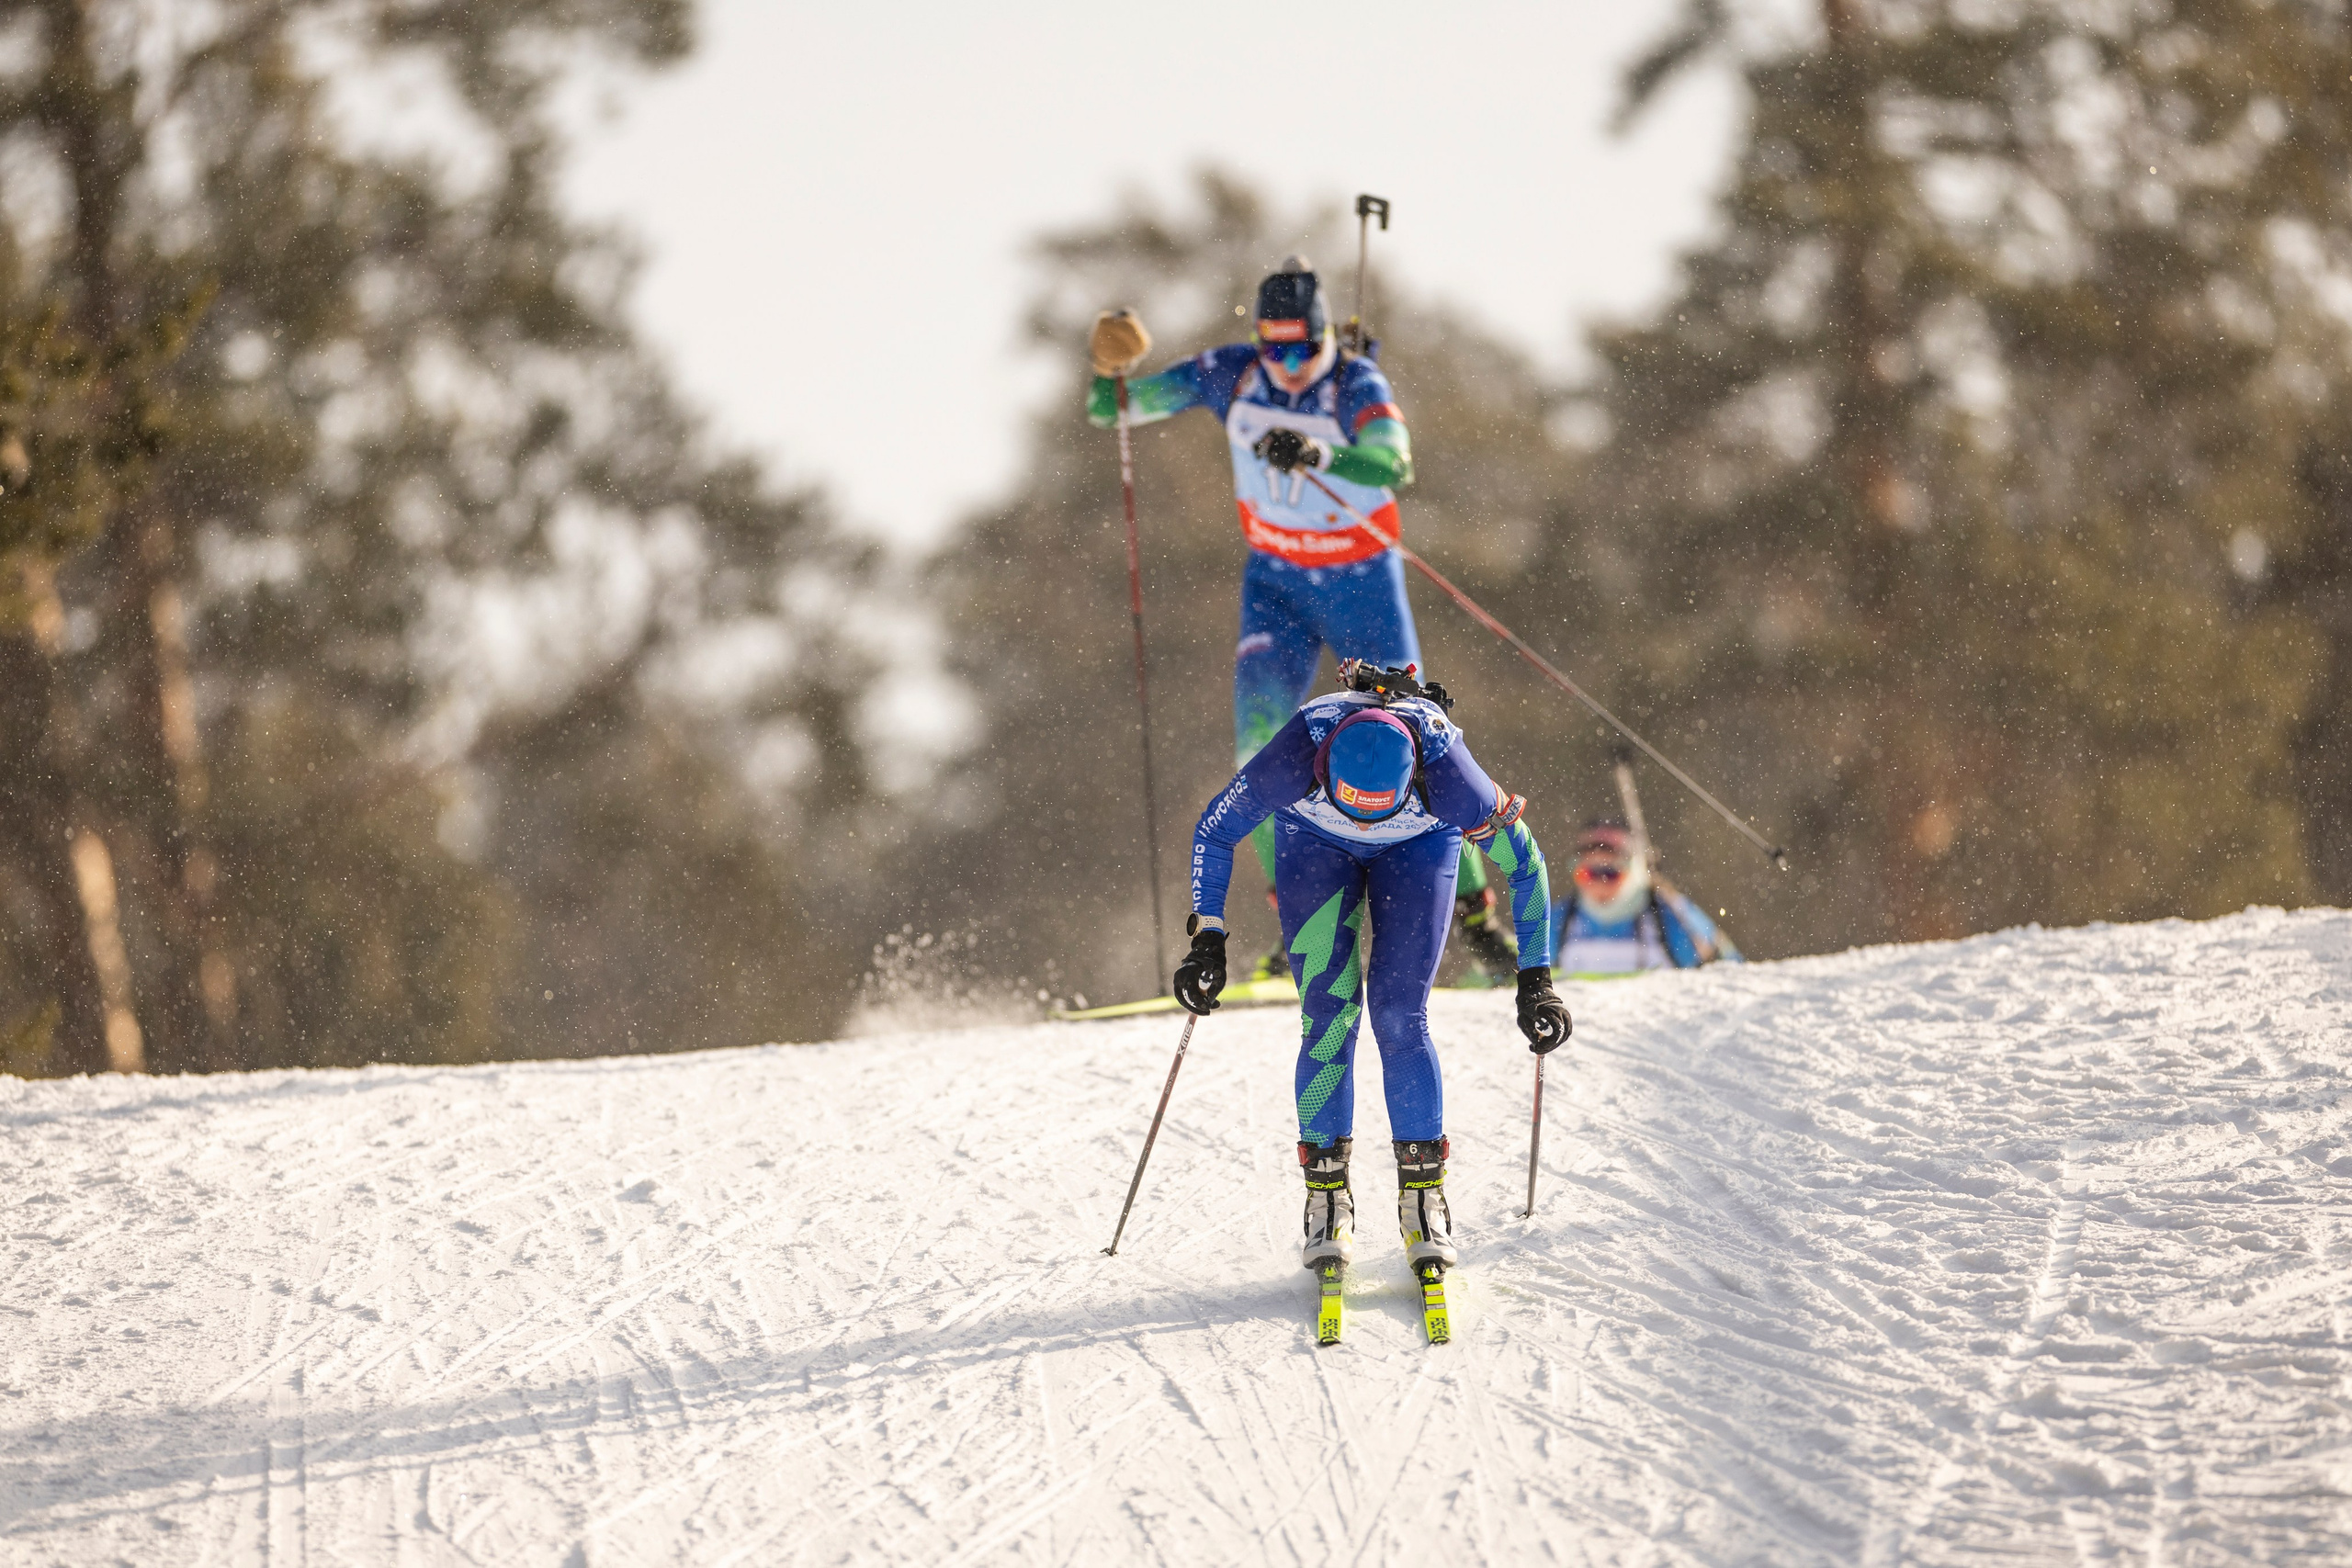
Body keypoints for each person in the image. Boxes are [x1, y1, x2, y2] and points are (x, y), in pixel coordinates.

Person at [1087, 262, 1521, 983]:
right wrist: (1108, 371)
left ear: (1324, 337)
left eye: (1301, 349)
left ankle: (1478, 917)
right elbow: (1115, 412)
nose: (1286, 366)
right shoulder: (1231, 374)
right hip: (1277, 585)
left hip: (1362, 582)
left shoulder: (1353, 383)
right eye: (1273, 348)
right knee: (1259, 746)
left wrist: (1321, 452)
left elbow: (1394, 463)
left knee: (1422, 740)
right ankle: (1303, 922)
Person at [1169, 661, 1572, 1277]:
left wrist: (1536, 979)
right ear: (1325, 764)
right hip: (1312, 845)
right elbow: (1214, 832)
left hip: (1418, 847)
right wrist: (1208, 938)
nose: (1364, 819)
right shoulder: (1298, 745)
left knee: (1398, 1015)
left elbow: (1527, 863)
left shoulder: (1448, 769)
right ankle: (1327, 1197)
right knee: (1330, 1016)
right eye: (1353, 804)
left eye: (1376, 808)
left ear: (1412, 777)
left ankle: (1423, 1196)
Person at [1551, 820, 1743, 976]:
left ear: (1632, 870)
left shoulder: (1670, 914)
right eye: (1588, 874)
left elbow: (1727, 976)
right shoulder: (1557, 920)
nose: (1599, 884)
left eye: (1610, 874)